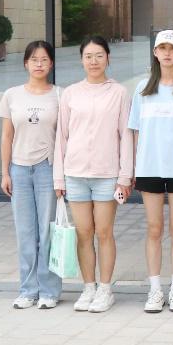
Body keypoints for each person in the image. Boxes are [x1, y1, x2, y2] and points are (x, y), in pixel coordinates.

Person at [54, 35, 133, 314]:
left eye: (99, 55)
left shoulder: (119, 92)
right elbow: (61, 137)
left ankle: (105, 289)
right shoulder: (70, 93)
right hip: (75, 174)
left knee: (104, 232)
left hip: (107, 175)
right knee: (83, 233)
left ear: (108, 58)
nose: (94, 61)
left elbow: (126, 135)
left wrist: (125, 176)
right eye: (88, 56)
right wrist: (59, 178)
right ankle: (88, 287)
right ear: (81, 60)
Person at [130, 29, 173, 313]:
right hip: (150, 166)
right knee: (154, 228)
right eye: (162, 48)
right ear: (155, 52)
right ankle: (155, 289)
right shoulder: (142, 88)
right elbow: (135, 131)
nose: (167, 53)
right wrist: (133, 166)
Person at [0, 40, 63, 309]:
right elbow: (6, 136)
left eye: (44, 59)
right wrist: (5, 172)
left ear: (51, 64)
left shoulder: (60, 95)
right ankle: (28, 290)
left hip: (48, 168)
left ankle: (49, 291)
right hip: (20, 169)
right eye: (34, 59)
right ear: (26, 63)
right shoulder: (12, 95)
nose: (39, 64)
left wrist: (61, 175)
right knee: (25, 233)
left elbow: (65, 137)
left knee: (47, 232)